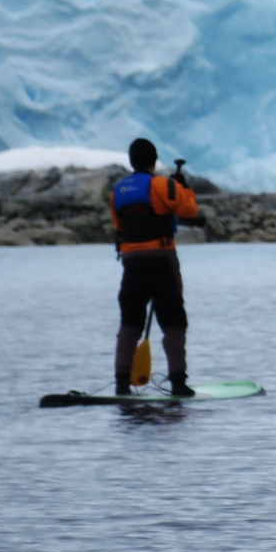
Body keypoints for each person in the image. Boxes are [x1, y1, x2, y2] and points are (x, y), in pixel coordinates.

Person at [110, 138, 199, 396]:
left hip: (132, 263)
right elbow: (189, 210)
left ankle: (120, 384)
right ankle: (179, 383)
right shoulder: (163, 185)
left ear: (132, 161)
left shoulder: (118, 192)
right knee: (173, 320)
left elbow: (120, 228)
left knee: (130, 322)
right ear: (153, 160)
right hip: (161, 259)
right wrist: (183, 188)